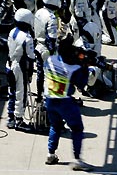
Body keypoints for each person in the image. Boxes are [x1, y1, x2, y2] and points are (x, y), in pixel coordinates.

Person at [43, 34, 92, 171]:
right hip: (65, 102)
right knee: (77, 128)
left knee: (55, 126)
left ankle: (50, 154)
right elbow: (81, 85)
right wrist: (85, 67)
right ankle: (77, 160)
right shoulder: (73, 68)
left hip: (50, 100)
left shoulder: (50, 60)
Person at [6, 8, 36, 132]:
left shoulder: (12, 32)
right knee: (21, 94)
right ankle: (19, 120)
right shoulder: (27, 38)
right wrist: (30, 73)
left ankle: (11, 118)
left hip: (9, 65)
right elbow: (31, 57)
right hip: (20, 68)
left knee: (11, 92)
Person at [34, 0, 61, 103]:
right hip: (46, 49)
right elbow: (51, 39)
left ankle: (39, 96)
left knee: (40, 74)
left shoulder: (39, 12)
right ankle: (48, 100)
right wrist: (53, 53)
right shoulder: (52, 18)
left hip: (37, 47)